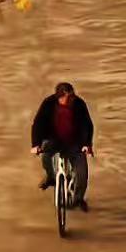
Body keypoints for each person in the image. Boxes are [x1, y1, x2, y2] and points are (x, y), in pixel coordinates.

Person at [31, 81, 94, 210]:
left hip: (74, 142)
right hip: (53, 140)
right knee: (46, 159)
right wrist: (35, 144)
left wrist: (87, 144)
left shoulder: (79, 104)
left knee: (82, 174)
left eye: (72, 96)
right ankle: (51, 177)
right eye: (68, 98)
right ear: (59, 97)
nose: (72, 100)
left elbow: (87, 125)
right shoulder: (48, 104)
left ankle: (78, 199)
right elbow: (38, 123)